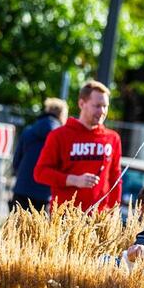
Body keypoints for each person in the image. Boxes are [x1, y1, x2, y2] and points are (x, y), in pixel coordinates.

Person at [34, 80, 122, 212]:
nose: (102, 111)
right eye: (97, 106)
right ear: (82, 103)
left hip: (98, 219)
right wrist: (73, 180)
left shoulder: (112, 138)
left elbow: (116, 177)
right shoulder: (59, 135)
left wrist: (114, 209)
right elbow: (40, 173)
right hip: (64, 216)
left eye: (105, 106)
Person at [9, 98, 68, 212]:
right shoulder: (61, 137)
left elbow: (16, 162)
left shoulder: (28, 131)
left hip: (22, 189)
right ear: (62, 115)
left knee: (16, 228)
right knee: (40, 229)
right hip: (45, 194)